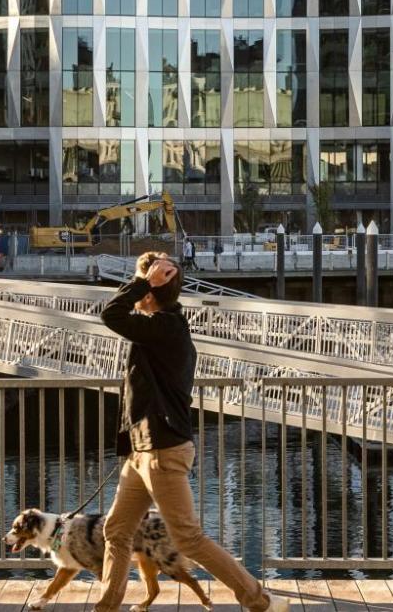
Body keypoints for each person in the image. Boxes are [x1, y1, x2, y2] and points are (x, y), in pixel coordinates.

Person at [94, 253, 287, 612]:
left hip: (162, 451)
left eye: (141, 283)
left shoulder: (164, 328)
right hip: (144, 450)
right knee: (117, 531)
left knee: (188, 538)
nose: (134, 291)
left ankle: (258, 599)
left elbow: (110, 314)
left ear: (151, 291)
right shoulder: (161, 325)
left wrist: (144, 282)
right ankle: (105, 607)